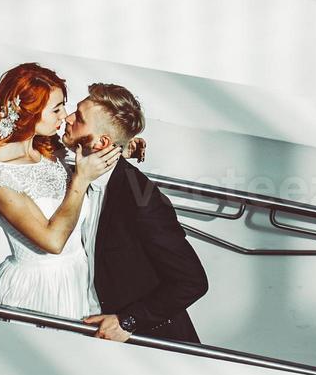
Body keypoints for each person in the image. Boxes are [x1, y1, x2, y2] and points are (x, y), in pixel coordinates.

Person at [65, 82, 209, 344]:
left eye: (79, 118)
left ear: (102, 142)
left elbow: (192, 281)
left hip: (146, 342)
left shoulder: (143, 201)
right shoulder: (80, 170)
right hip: (84, 324)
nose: (68, 118)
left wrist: (127, 321)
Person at [0, 63, 118, 320]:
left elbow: (92, 143)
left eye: (64, 105)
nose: (64, 116)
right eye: (56, 109)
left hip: (77, 278)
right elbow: (53, 242)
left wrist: (126, 143)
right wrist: (81, 180)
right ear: (27, 112)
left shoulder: (47, 149)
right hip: (36, 292)